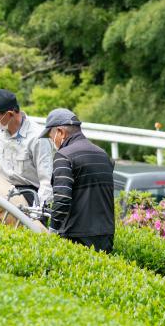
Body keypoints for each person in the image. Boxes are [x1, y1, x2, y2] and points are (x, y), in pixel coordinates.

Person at [39, 108, 115, 253]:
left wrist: (52, 230)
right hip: (106, 234)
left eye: (51, 136)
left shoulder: (64, 156)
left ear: (60, 132)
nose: (52, 142)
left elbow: (62, 199)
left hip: (76, 236)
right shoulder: (103, 154)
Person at [0, 89, 53, 208]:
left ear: (10, 113)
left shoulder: (38, 137)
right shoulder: (0, 130)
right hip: (4, 188)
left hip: (29, 193)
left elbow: (46, 180)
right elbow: (2, 152)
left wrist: (38, 209)